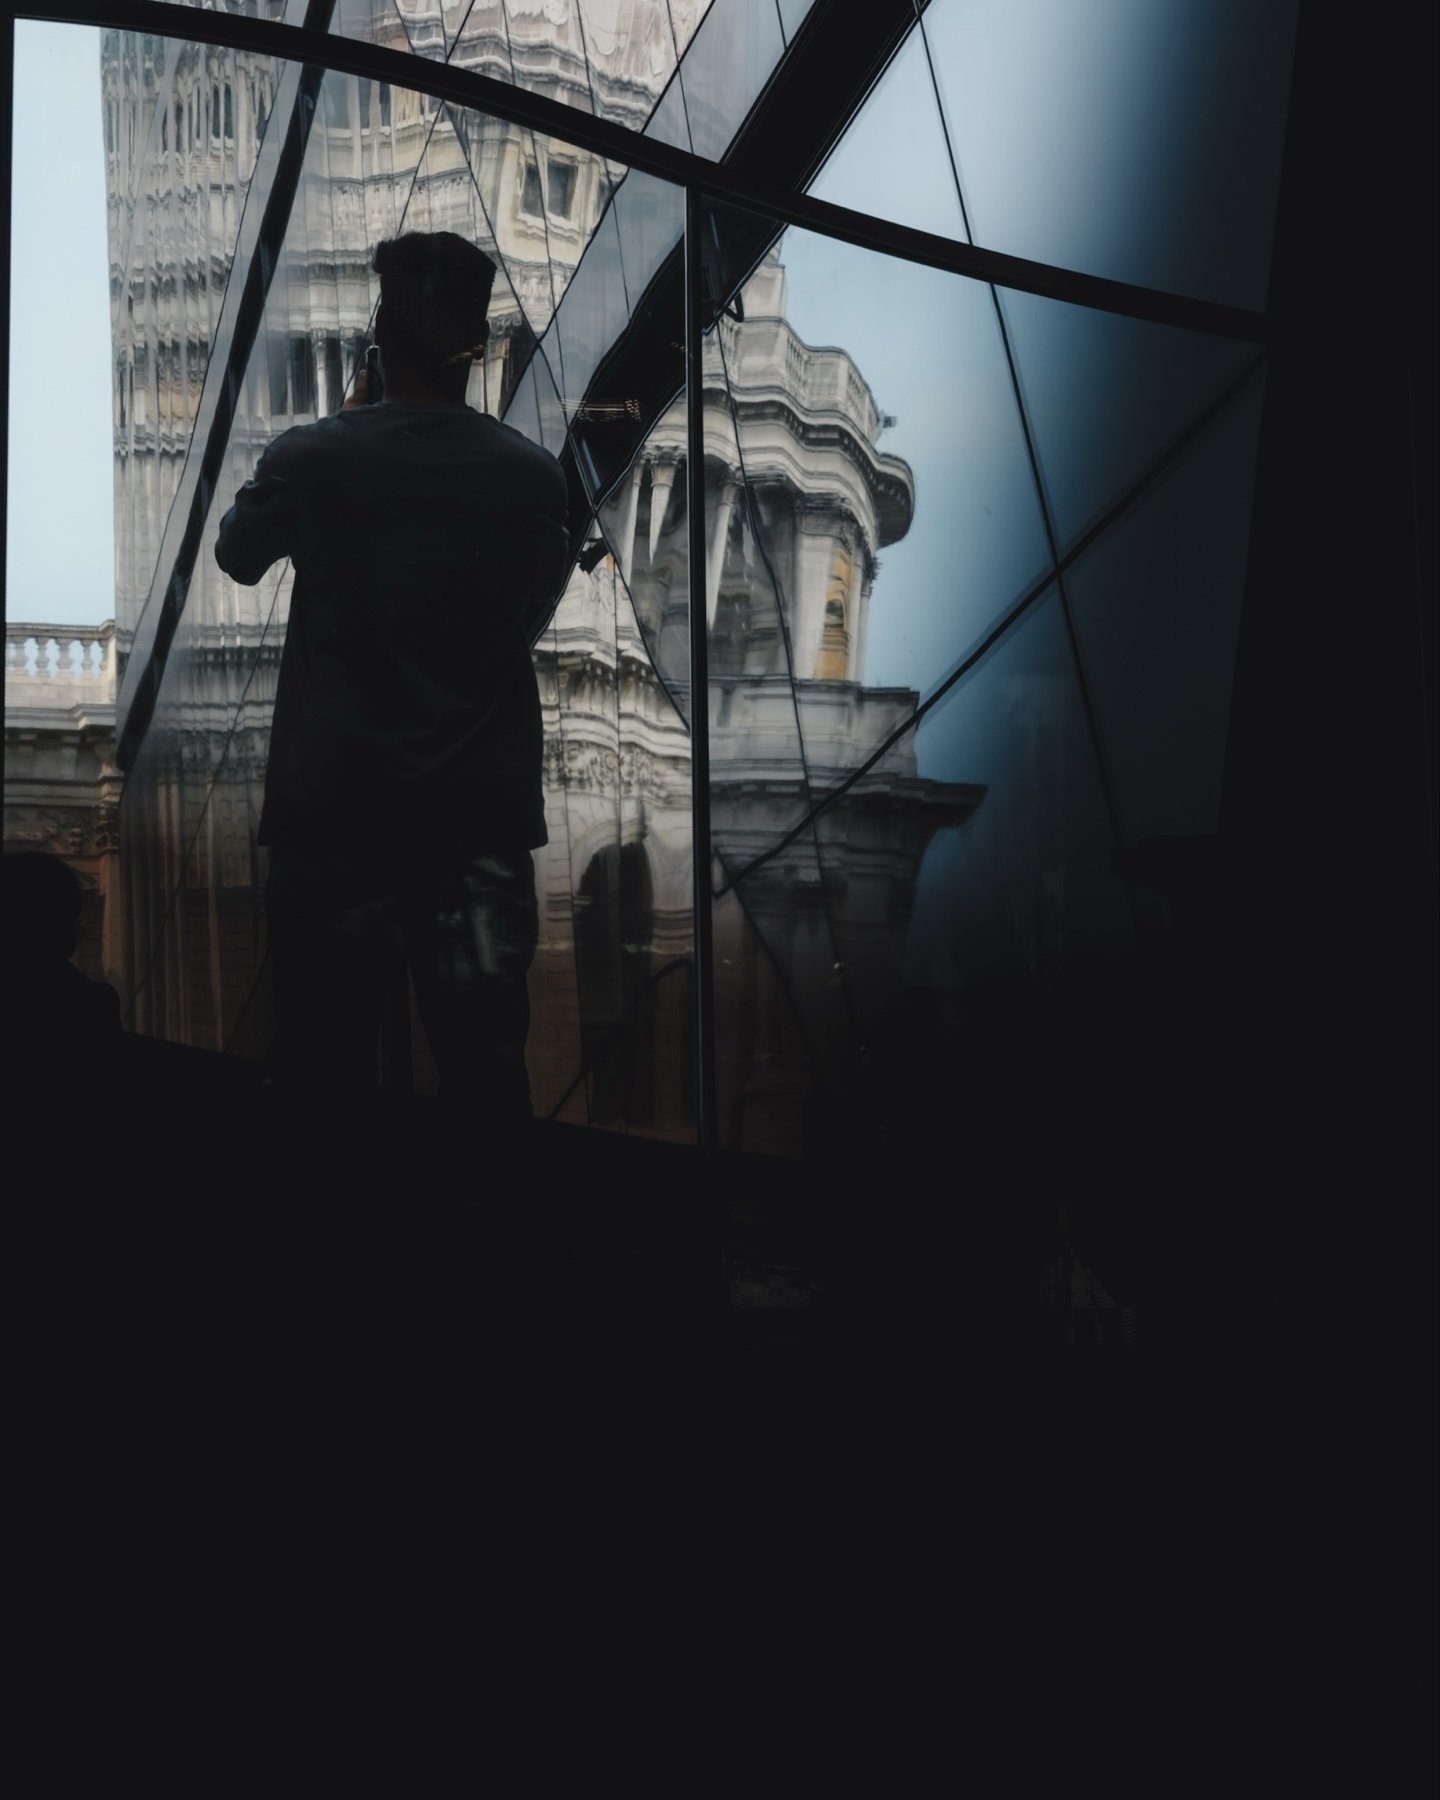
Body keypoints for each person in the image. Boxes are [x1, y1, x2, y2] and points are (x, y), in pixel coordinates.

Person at [215, 231, 569, 1122]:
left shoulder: (317, 457)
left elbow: (236, 555)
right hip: (474, 830)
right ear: (477, 348)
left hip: (337, 824)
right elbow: (531, 607)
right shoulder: (529, 481)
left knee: (321, 1070)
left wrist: (349, 416)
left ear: (379, 334)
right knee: (486, 1077)